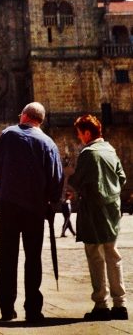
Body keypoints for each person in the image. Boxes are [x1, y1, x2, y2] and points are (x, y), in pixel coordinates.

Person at [0, 102, 63, 323]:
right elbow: (56, 179)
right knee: (33, 258)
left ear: (24, 116)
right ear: (40, 120)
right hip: (35, 207)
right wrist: (52, 203)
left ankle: (6, 308)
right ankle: (33, 309)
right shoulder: (48, 142)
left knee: (7, 256)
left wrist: (2, 191)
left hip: (9, 204)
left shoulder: (7, 135)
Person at [68, 114, 128, 321]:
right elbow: (122, 178)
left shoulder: (89, 153)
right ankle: (120, 304)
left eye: (79, 133)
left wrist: (72, 179)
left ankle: (101, 304)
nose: (78, 138)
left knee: (95, 255)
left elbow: (77, 180)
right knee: (113, 254)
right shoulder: (110, 150)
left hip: (93, 211)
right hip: (112, 210)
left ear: (86, 133)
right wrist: (111, 194)